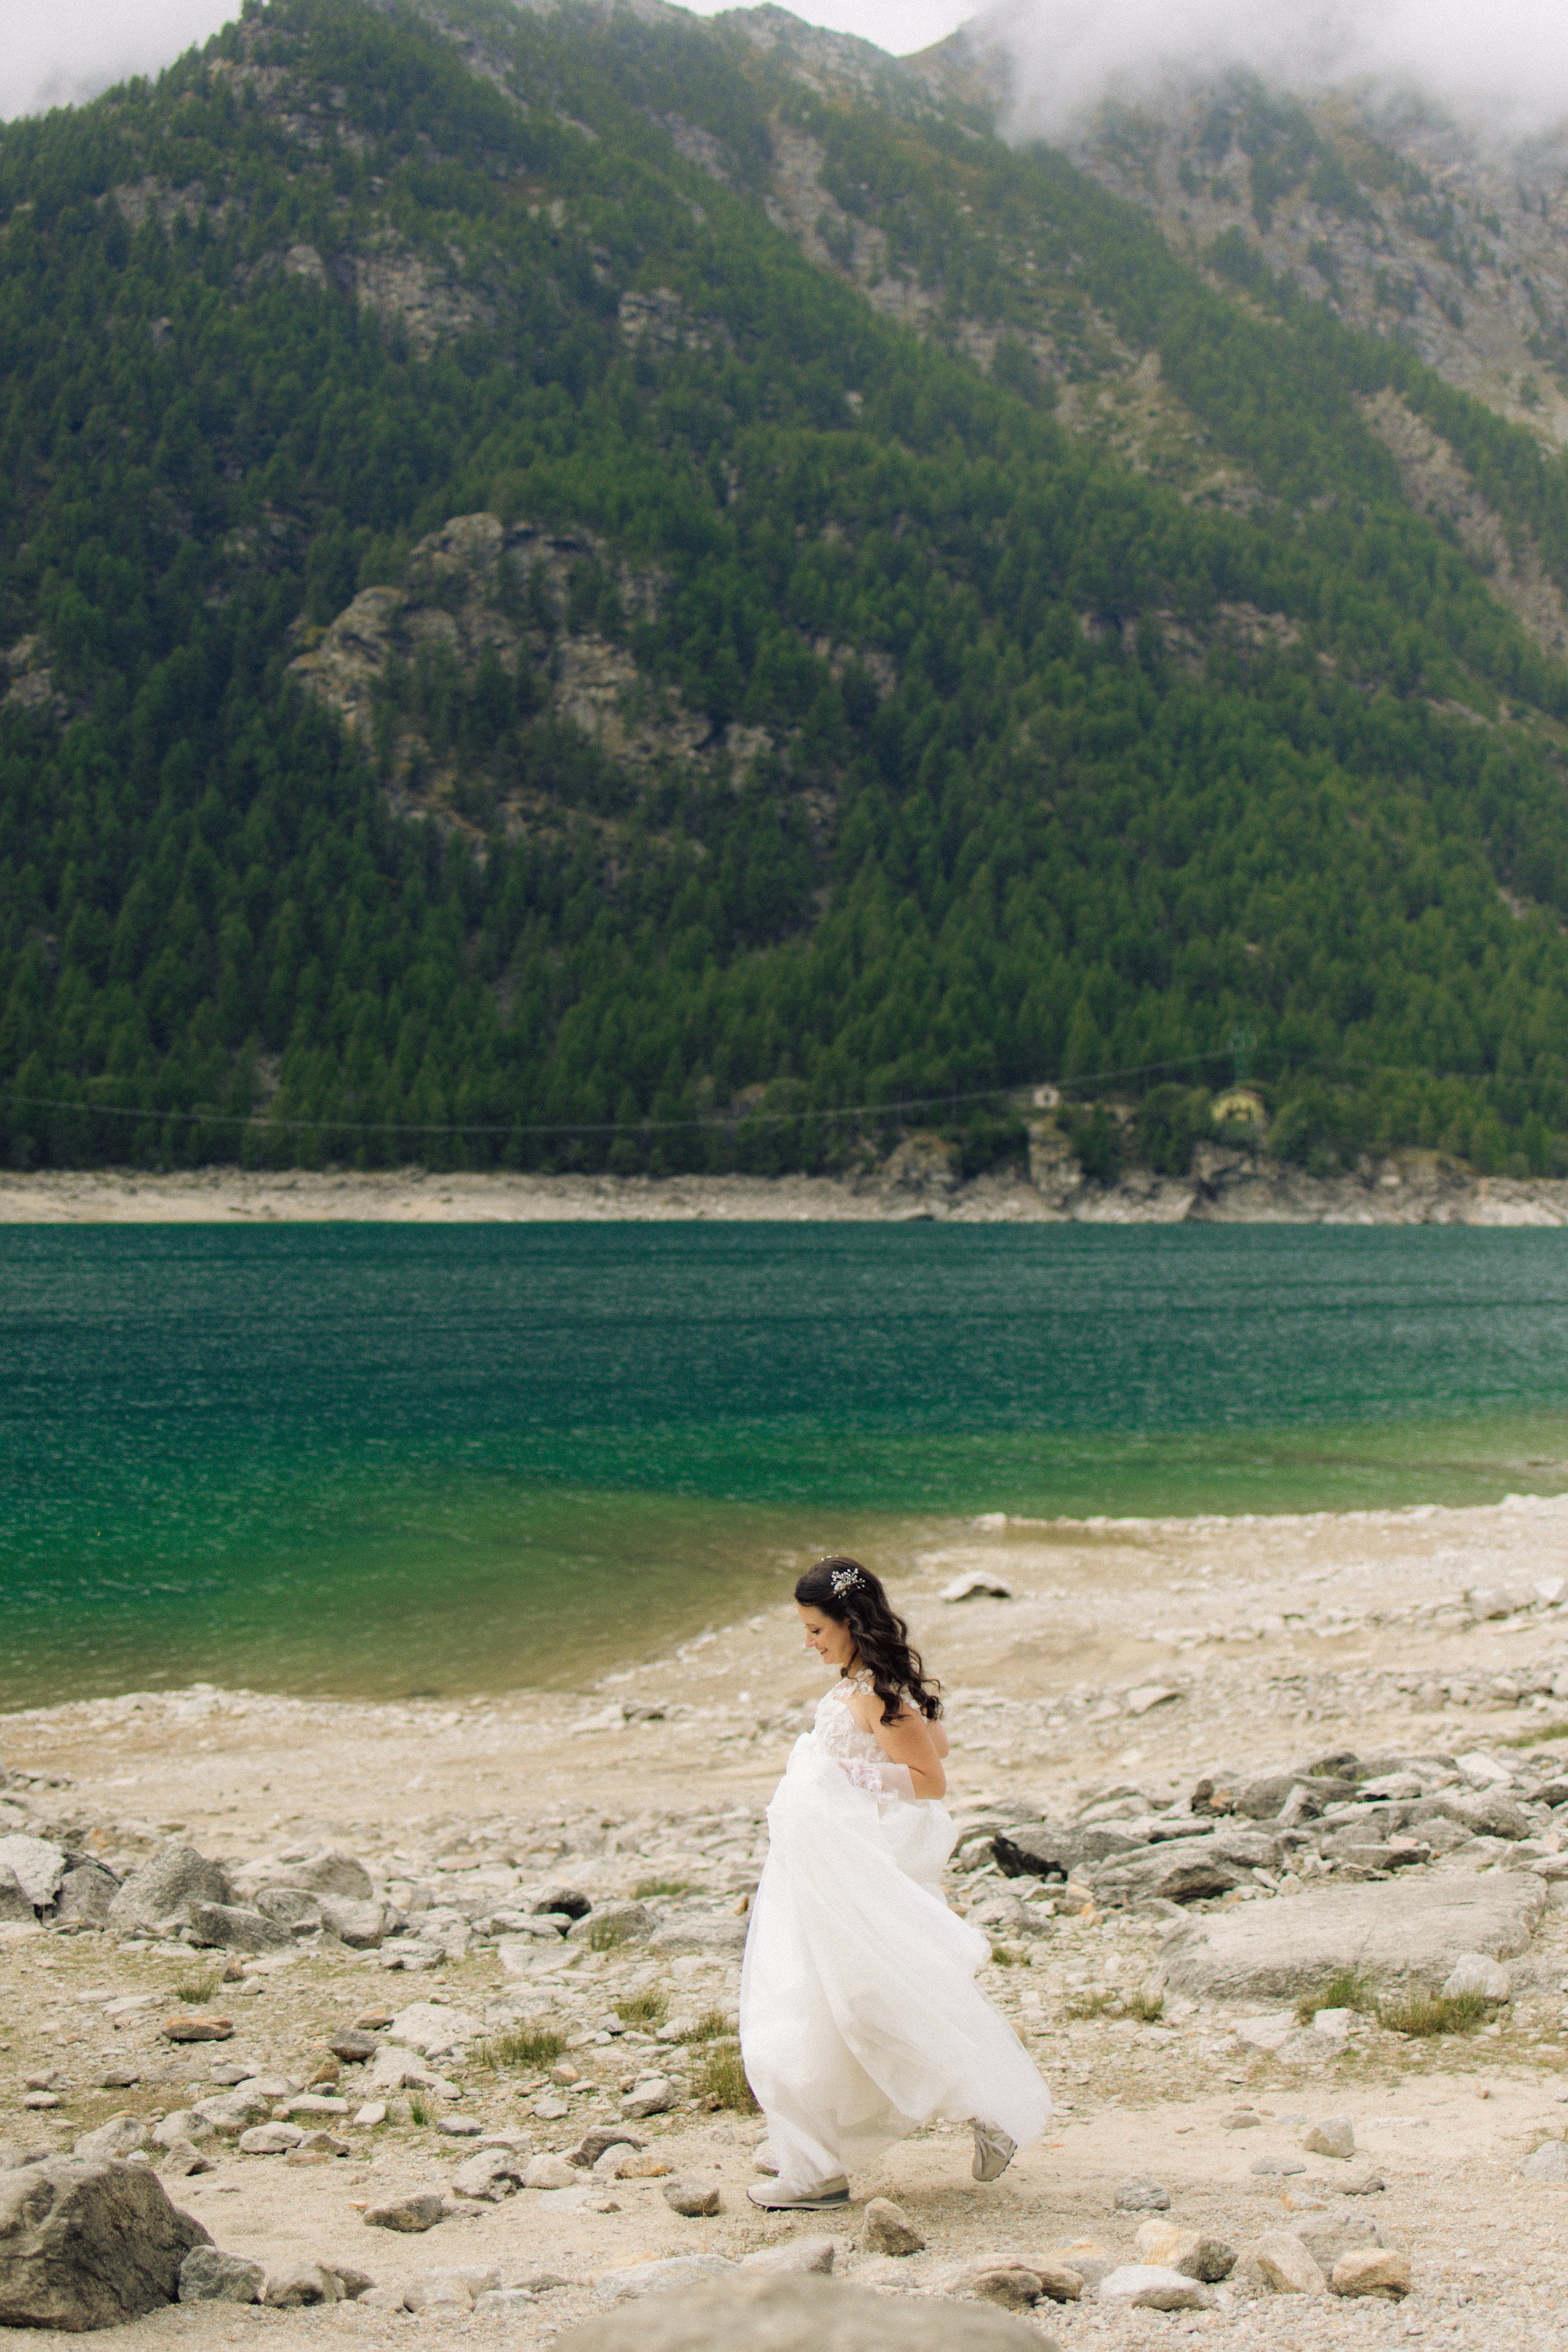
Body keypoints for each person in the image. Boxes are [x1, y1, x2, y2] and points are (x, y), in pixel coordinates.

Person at [738, 1555, 1051, 2211]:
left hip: (845, 1877)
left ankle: (976, 2111)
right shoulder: (864, 1684)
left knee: (852, 2004)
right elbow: (926, 1745)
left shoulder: (879, 1693)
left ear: (851, 1623)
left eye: (816, 1631)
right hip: (819, 1871)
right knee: (814, 2006)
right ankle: (813, 2153)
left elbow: (932, 1779)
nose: (808, 1643)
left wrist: (847, 1782)